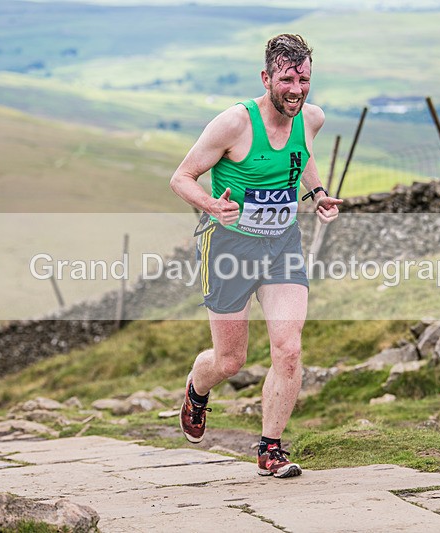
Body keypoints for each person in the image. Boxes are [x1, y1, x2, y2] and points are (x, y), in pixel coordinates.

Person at [169, 33, 341, 478]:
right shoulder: (234, 124)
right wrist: (211, 205)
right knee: (230, 361)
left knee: (289, 349)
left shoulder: (311, 117)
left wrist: (317, 193)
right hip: (229, 247)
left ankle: (270, 448)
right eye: (287, 80)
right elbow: (181, 177)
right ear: (266, 78)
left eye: (304, 80)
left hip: (282, 244)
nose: (297, 90)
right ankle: (196, 389)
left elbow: (302, 156)